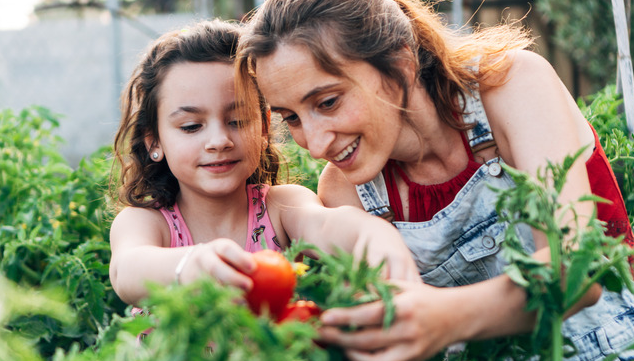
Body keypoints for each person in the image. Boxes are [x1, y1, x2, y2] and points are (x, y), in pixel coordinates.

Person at [235, 0, 634, 361]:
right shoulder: (345, 190)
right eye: (290, 117)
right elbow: (395, 323)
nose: (314, 143)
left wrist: (442, 317)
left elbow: (578, 273)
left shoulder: (511, 87)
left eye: (328, 102)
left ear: (401, 63)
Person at [108, 19, 418, 312]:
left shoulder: (281, 209)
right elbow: (127, 269)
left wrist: (373, 235)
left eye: (238, 121)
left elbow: (326, 224)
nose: (219, 140)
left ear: (264, 127)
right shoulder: (147, 223)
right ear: (154, 142)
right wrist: (191, 264)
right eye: (191, 126)